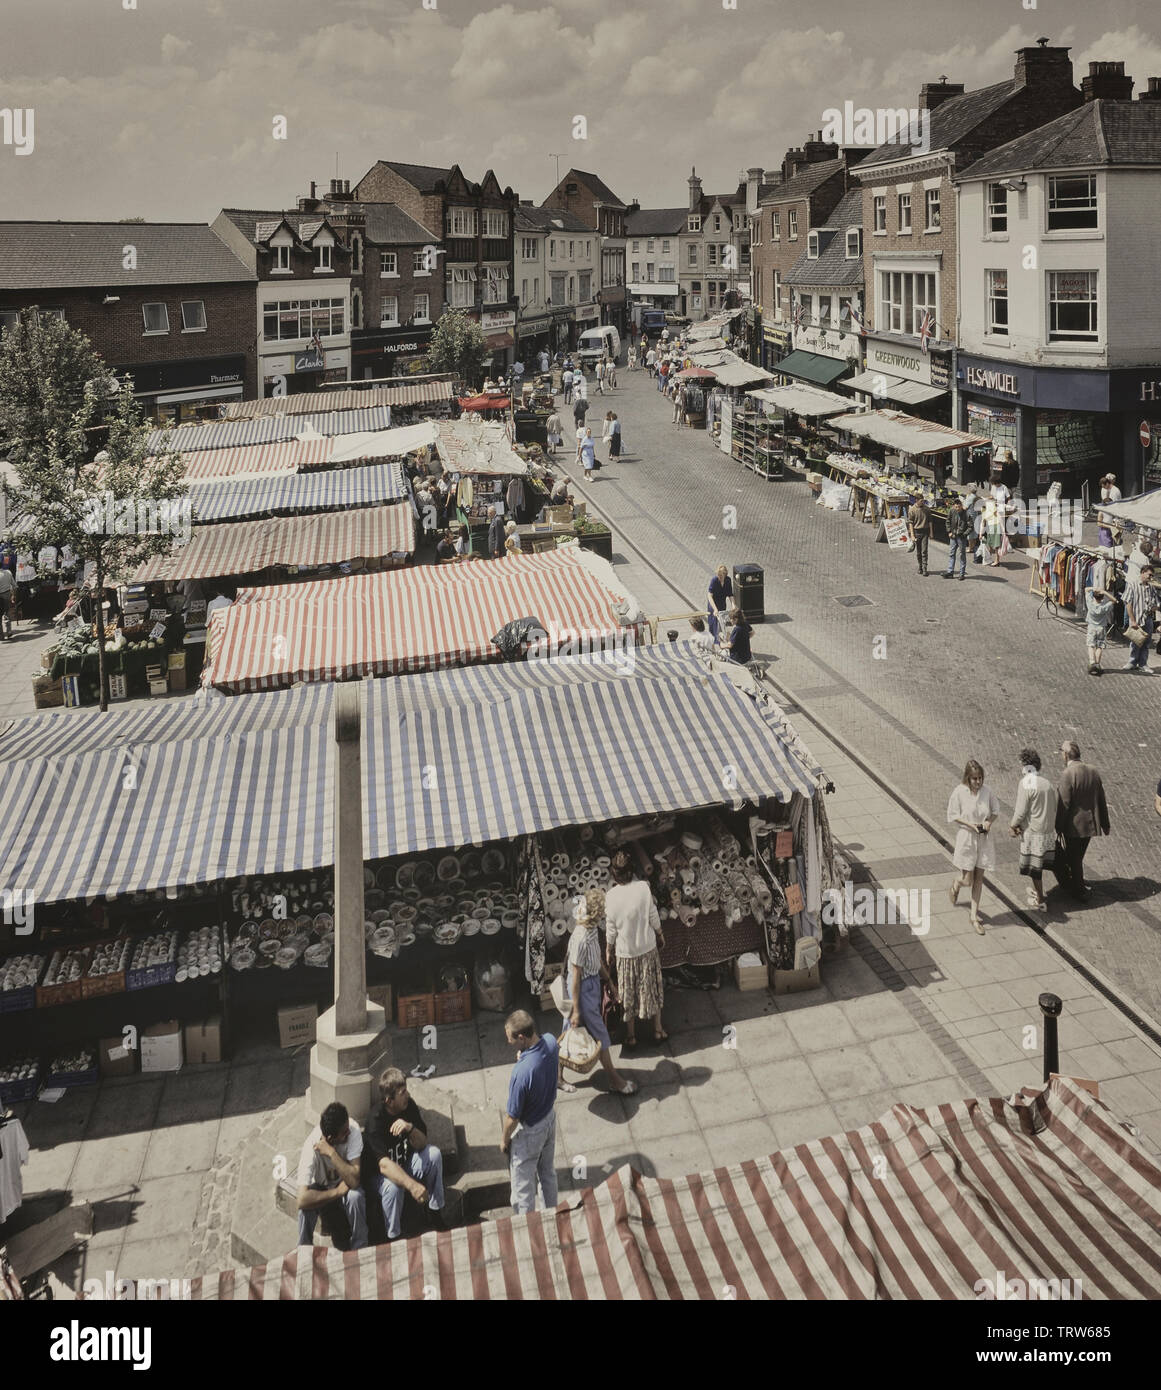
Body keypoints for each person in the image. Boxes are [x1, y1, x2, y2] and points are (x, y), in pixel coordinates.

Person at [558, 891, 635, 1096]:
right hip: (582, 990)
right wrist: (575, 1010)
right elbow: (575, 976)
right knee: (599, 1033)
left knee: (568, 1032)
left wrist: (609, 980)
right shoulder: (581, 937)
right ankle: (614, 1080)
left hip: (590, 986)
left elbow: (596, 959)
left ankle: (557, 1076)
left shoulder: (591, 930)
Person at [363, 1068, 444, 1241]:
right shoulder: (375, 1121)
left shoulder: (409, 1106)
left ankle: (435, 1212)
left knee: (434, 1154)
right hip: (380, 1177)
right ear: (389, 1100)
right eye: (402, 1093)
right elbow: (384, 1166)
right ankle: (394, 1236)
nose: (407, 1095)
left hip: (405, 1163)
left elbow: (423, 1142)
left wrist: (410, 1128)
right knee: (394, 1187)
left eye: (406, 1090)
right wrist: (413, 1186)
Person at [605, 850, 666, 1048]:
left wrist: (608, 949)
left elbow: (611, 928)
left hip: (626, 953)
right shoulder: (643, 888)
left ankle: (631, 1036)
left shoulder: (611, 896)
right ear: (632, 871)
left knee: (628, 993)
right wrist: (660, 934)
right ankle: (658, 1030)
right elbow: (653, 915)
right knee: (653, 989)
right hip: (647, 949)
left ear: (614, 874)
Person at [502, 1010, 559, 1214]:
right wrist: (524, 1057)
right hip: (550, 1119)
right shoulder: (551, 1042)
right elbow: (542, 1060)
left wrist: (504, 1140)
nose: (508, 1042)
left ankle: (527, 1230)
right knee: (547, 1174)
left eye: (510, 1038)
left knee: (523, 1190)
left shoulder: (521, 1073)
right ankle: (552, 1216)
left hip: (531, 1132)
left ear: (521, 1037)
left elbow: (512, 1118)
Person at [296, 1101, 367, 1250]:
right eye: (343, 1133)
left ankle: (359, 1246)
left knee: (356, 1196)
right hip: (323, 1189)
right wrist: (336, 1192)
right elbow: (301, 1199)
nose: (349, 1133)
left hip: (346, 1184)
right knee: (305, 1210)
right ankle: (304, 1251)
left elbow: (354, 1180)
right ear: (330, 1138)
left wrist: (331, 1153)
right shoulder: (311, 1146)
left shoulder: (352, 1130)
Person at [946, 759, 1000, 934]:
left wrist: (988, 822)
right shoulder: (960, 792)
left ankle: (974, 916)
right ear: (968, 778)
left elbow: (995, 811)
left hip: (983, 840)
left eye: (980, 778)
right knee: (967, 880)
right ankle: (956, 884)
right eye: (974, 778)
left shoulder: (987, 792)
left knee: (979, 879)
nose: (978, 782)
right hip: (967, 838)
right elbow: (953, 814)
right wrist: (970, 824)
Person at [1056, 741, 1110, 901]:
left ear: (1066, 755)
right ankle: (1075, 885)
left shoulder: (1068, 774)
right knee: (1077, 856)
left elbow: (1063, 804)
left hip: (1073, 827)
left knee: (1074, 858)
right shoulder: (1093, 771)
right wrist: (1105, 824)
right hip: (1091, 825)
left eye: (1061, 752)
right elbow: (1101, 798)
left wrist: (1058, 826)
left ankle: (1078, 891)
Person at [1009, 749, 1058, 911]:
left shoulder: (1026, 783)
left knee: (1033, 868)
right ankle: (1039, 892)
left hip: (1034, 833)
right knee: (1039, 865)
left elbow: (1021, 811)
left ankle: (1041, 900)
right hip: (1048, 832)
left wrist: (1013, 825)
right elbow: (1054, 807)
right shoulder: (1048, 784)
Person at [1123, 563, 1158, 673]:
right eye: (1149, 575)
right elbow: (1128, 603)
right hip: (1136, 617)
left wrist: (1153, 607)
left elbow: (1156, 603)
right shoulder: (1132, 585)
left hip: (1147, 618)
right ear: (1142, 573)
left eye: (1152, 576)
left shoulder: (1151, 588)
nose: (1150, 577)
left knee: (1146, 642)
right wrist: (1132, 620)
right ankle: (1132, 662)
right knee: (1135, 641)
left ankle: (1143, 663)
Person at [1084, 585, 1115, 675]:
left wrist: (1094, 588)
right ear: (1102, 598)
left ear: (1094, 596)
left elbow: (1086, 589)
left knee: (1091, 645)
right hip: (1101, 627)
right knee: (1100, 646)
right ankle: (1097, 664)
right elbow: (1114, 600)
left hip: (1091, 627)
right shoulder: (1104, 607)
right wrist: (1105, 592)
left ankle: (1092, 662)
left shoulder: (1090, 603)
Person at [943, 496, 970, 580]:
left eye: (958, 507)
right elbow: (947, 521)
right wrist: (949, 531)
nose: (957, 508)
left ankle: (961, 574)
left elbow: (970, 527)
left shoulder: (966, 514)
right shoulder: (952, 511)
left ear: (961, 505)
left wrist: (964, 534)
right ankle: (950, 572)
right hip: (953, 536)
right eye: (956, 506)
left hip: (961, 537)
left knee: (962, 555)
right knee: (951, 553)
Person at [907, 494, 931, 576]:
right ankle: (920, 566)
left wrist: (931, 532)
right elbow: (910, 523)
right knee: (919, 552)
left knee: (924, 551)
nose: (922, 502)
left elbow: (930, 521)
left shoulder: (927, 509)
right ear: (916, 500)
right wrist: (912, 535)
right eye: (921, 501)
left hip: (925, 531)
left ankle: (925, 568)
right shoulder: (912, 510)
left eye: (923, 500)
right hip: (917, 532)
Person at [0, 564, 17, 640]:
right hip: (7, 594)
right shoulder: (8, 572)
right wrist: (13, 595)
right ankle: (9, 631)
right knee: (7, 613)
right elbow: (14, 585)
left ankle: (1, 635)